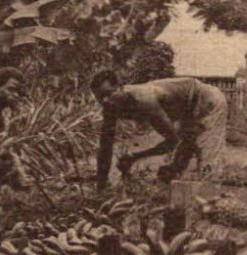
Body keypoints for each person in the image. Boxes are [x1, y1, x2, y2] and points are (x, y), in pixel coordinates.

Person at [92, 71, 227, 186]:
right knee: (175, 168)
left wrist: (134, 157)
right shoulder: (110, 107)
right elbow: (105, 146)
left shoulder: (144, 100)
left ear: (120, 87)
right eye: (100, 97)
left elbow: (173, 141)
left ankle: (215, 206)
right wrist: (101, 184)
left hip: (208, 100)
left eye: (108, 93)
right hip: (187, 110)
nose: (105, 100)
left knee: (208, 164)